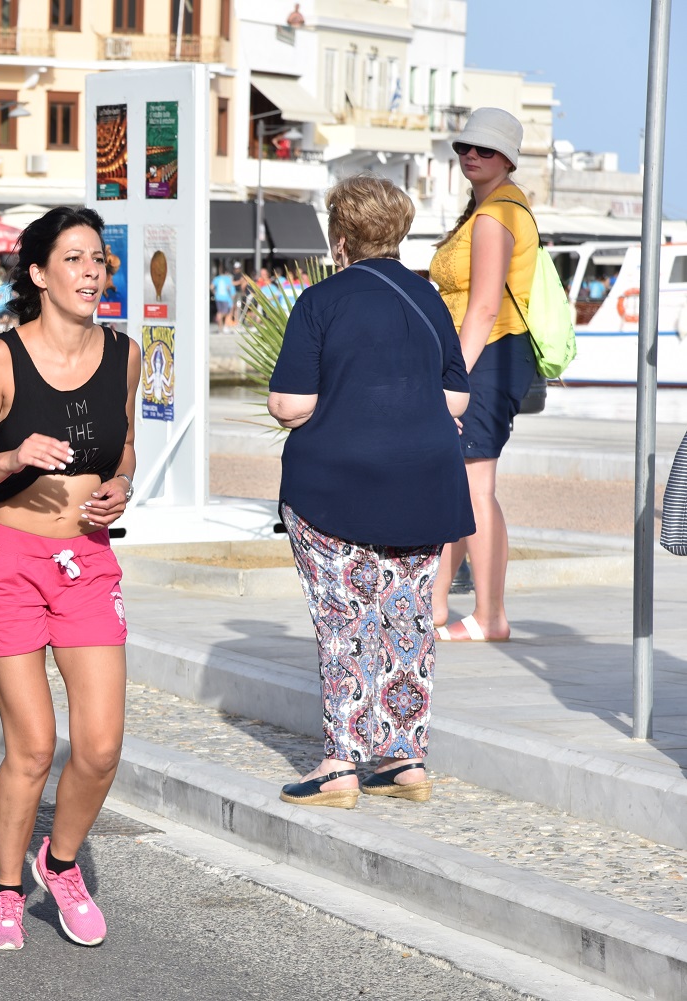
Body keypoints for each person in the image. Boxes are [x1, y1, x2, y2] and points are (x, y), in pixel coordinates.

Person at [0, 206, 140, 950]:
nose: (92, 271)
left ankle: (59, 863)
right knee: (32, 745)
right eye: (75, 258)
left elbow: (124, 447)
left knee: (100, 746)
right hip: (7, 563)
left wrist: (121, 485)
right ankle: (3, 887)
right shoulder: (1, 357)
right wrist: (14, 455)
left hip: (87, 560)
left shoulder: (125, 353)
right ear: (39, 273)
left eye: (99, 259)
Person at [268, 174, 473, 809]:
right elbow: (456, 399)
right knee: (408, 615)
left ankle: (340, 766)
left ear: (340, 237)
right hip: (426, 483)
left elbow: (288, 405)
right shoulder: (428, 298)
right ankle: (406, 761)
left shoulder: (321, 301)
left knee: (344, 618)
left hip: (336, 486)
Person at [428, 108, 537, 643]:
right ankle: (434, 606)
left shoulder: (497, 215)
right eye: (464, 147)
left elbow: (486, 306)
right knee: (459, 482)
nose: (471, 155)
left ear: (508, 159)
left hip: (485, 355)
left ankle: (491, 615)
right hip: (483, 354)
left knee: (475, 485)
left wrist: (454, 378)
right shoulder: (489, 208)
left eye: (485, 149)